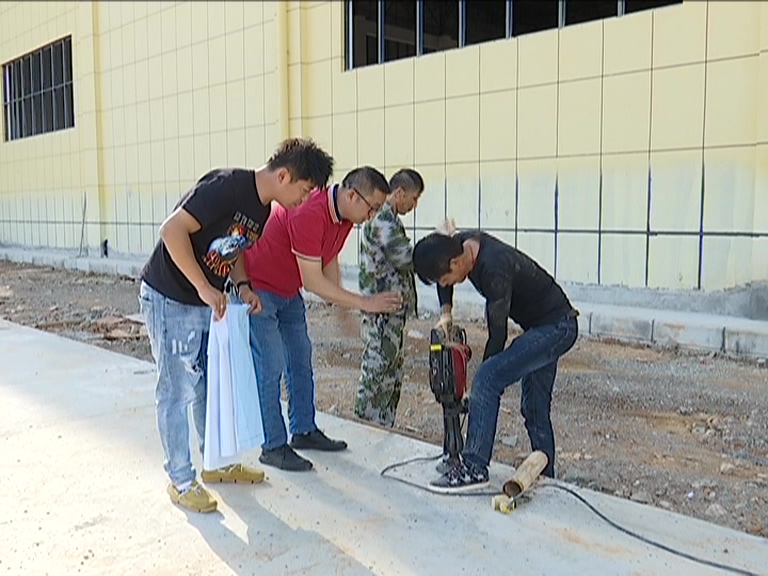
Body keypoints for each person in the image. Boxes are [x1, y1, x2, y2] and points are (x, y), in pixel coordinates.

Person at [138, 138, 334, 513]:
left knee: (209, 387)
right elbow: (171, 231)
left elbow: (235, 247)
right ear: (284, 175)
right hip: (170, 297)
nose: (305, 199)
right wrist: (202, 286)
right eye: (305, 190)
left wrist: (243, 287)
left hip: (206, 299)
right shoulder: (227, 186)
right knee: (176, 391)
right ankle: (180, 479)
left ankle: (217, 463)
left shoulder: (261, 208)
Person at [243, 166, 402, 472]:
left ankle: (303, 430)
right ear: (352, 195)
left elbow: (328, 260)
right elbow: (314, 281)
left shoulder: (343, 218)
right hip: (260, 288)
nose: (372, 216)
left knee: (301, 358)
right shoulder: (310, 211)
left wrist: (343, 305)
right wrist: (366, 303)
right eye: (371, 208)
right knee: (271, 365)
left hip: (288, 290)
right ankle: (273, 446)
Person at [412, 225, 579, 492]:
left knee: (488, 378)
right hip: (544, 326)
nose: (446, 286)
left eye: (446, 280)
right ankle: (546, 475)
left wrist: (479, 378)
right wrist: (446, 315)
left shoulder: (494, 269)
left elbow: (497, 335)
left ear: (456, 262)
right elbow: (442, 268)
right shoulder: (460, 243)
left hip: (557, 329)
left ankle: (474, 466)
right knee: (534, 408)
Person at [356, 168, 424, 427]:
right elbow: (406, 257)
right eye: (414, 198)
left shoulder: (390, 218)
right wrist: (437, 245)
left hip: (390, 310)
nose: (414, 205)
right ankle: (364, 424)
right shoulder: (383, 219)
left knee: (391, 371)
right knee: (377, 367)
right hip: (382, 311)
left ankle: (382, 424)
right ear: (399, 192)